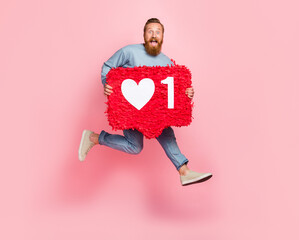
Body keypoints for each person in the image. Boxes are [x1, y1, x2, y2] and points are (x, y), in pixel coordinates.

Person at [78, 18, 212, 186]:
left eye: (158, 32)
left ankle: (184, 171)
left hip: (154, 114)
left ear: (162, 36)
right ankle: (94, 138)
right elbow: (107, 67)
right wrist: (107, 84)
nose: (154, 35)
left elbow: (173, 89)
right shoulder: (129, 52)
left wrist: (186, 93)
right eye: (150, 31)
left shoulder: (168, 62)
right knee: (135, 147)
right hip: (131, 109)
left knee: (165, 132)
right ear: (144, 35)